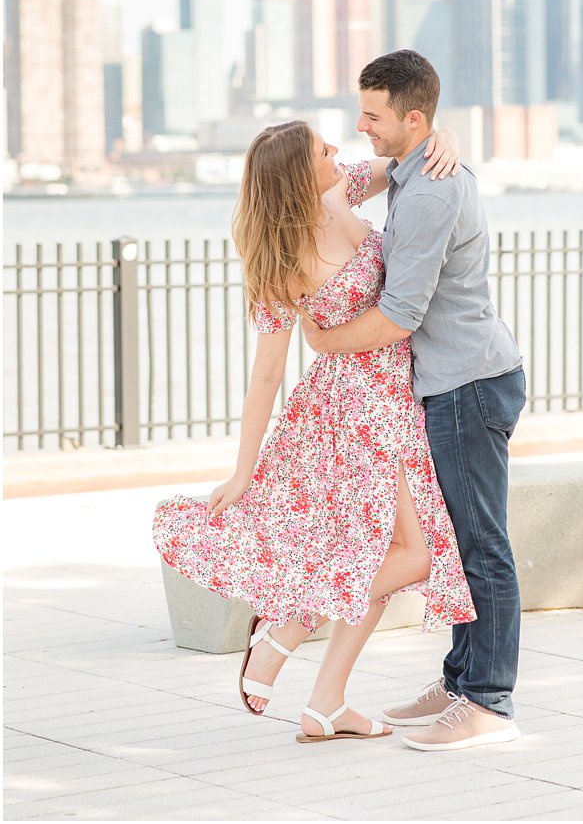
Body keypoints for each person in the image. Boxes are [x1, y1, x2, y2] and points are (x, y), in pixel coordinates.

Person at [153, 118, 474, 744]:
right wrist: (244, 470)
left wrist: (449, 139)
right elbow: (266, 376)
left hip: (392, 398)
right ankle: (286, 629)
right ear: (300, 172)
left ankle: (326, 704)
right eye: (322, 150)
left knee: (381, 554)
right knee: (415, 554)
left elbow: (410, 154)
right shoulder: (281, 262)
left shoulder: (340, 190)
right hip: (353, 415)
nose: (337, 151)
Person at [301, 48, 527, 753]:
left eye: (372, 115)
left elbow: (399, 315)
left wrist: (326, 341)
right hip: (453, 380)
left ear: (412, 116)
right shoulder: (413, 164)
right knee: (460, 541)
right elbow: (339, 179)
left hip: (465, 384)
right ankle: (461, 679)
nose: (360, 127)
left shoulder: (428, 190)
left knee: (480, 545)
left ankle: (486, 700)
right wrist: (438, 140)